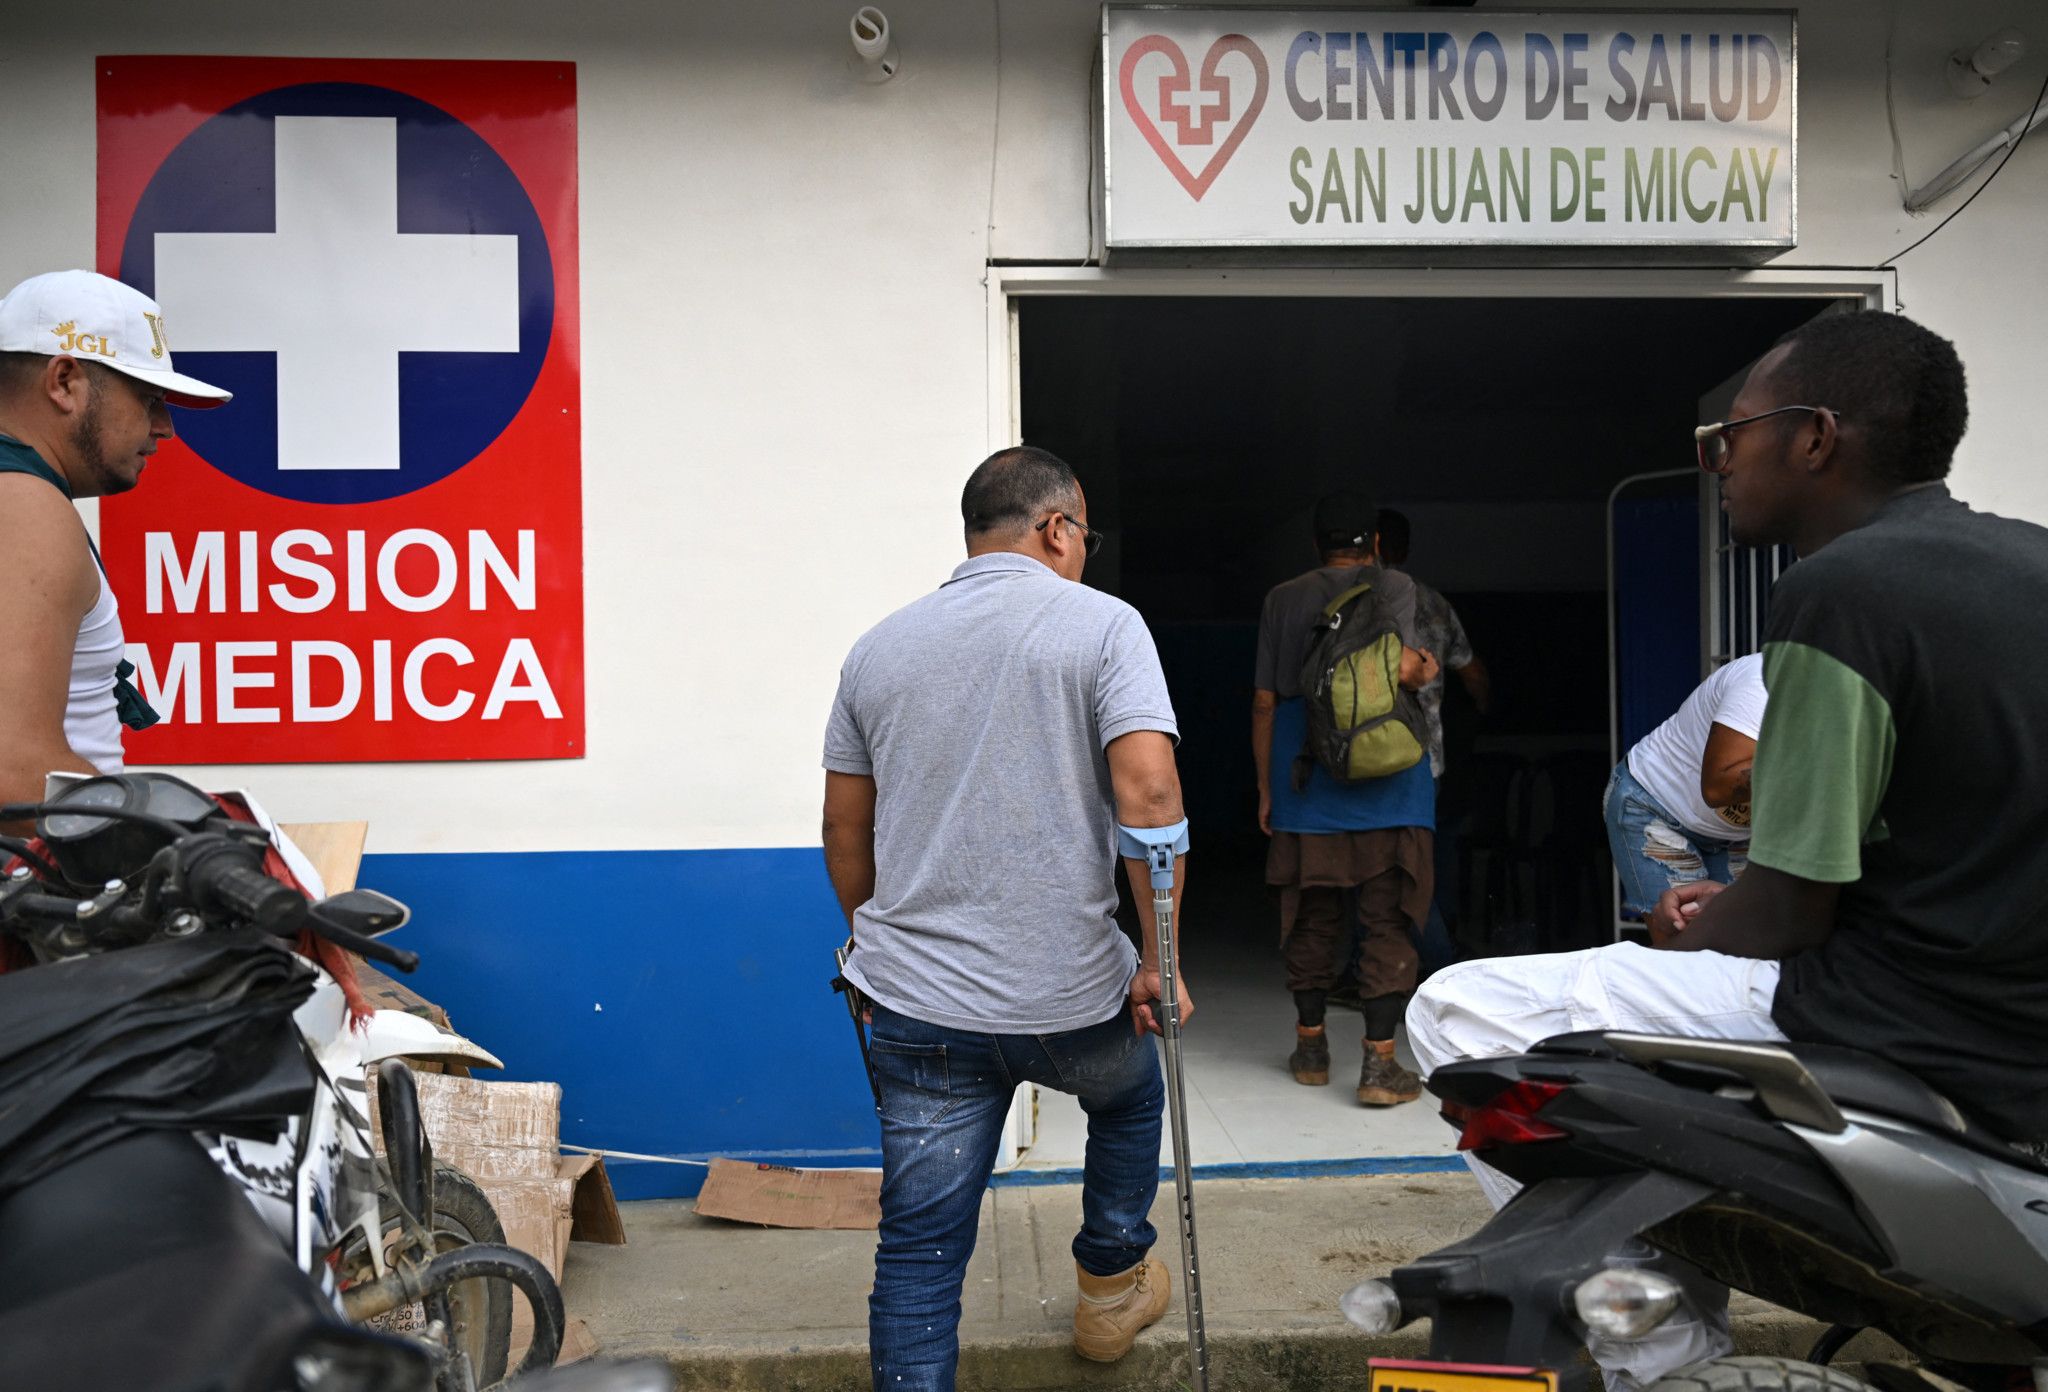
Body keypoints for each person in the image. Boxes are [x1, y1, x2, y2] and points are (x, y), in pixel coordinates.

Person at [1408, 310, 2048, 1390]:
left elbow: (1792, 906)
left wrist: (1703, 916)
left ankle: (1658, 1361)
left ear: (1814, 438)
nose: (1717, 466)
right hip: (2015, 1039)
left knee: (1462, 1010)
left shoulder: (1840, 591)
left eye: (1727, 438)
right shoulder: (2027, 562)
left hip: (1889, 1020)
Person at [821, 446, 1190, 1392]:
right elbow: (1149, 798)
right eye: (1083, 536)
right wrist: (1161, 959)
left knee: (919, 1249)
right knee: (1130, 1094)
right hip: (1067, 994)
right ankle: (1110, 1282)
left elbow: (842, 825)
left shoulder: (880, 645)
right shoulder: (1105, 627)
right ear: (1058, 527)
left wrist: (876, 947)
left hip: (915, 1010)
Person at [0, 269, 229, 817]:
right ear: (64, 382)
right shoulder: (24, 508)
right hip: (37, 888)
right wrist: (187, 846)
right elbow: (13, 773)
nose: (165, 427)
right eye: (149, 398)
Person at [1253, 493, 1438, 1105]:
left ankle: (1311, 1048)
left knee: (1312, 915)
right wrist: (1428, 668)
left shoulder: (1283, 598)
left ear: (1316, 544)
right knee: (1386, 920)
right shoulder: (1397, 589)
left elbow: (1264, 701)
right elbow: (1408, 671)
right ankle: (1380, 1067)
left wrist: (1265, 785)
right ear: (1375, 543)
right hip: (1389, 783)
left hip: (1306, 779)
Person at [1606, 654, 1767, 922]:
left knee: (1745, 940)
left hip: (1739, 832)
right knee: (1684, 945)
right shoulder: (1762, 682)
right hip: (1654, 806)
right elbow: (1718, 786)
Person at [1374, 508, 1490, 781]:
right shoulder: (1434, 604)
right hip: (1422, 761)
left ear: (1372, 543)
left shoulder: (1352, 598)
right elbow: (1474, 675)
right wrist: (1482, 709)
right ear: (1405, 551)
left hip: (1365, 756)